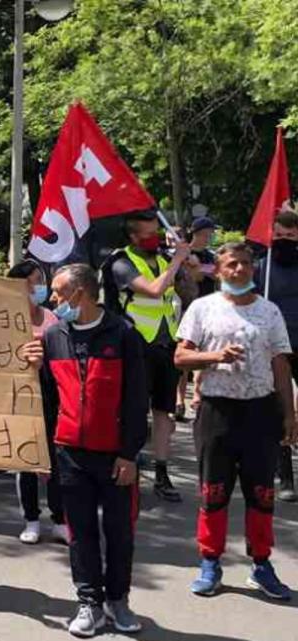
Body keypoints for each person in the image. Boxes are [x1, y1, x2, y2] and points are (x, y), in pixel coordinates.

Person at [30, 263, 148, 638]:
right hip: (68, 454)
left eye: (58, 292)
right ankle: (89, 603)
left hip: (115, 456)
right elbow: (48, 399)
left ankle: (118, 601)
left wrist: (129, 454)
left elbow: (136, 401)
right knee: (79, 534)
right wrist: (42, 450)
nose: (52, 298)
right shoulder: (53, 337)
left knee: (119, 533)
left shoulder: (124, 334)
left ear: (80, 293)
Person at [176, 242, 295, 602]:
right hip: (217, 412)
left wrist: (289, 414)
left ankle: (261, 565)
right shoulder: (202, 308)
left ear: (253, 268)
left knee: (261, 493)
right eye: (231, 264)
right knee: (214, 492)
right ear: (219, 269)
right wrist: (215, 356)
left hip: (261, 412)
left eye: (245, 264)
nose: (239, 270)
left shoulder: (270, 311)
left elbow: (281, 363)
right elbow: (181, 357)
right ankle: (210, 562)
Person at [107, 210, 189, 502]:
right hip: (136, 345)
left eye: (157, 231)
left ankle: (162, 471)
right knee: (135, 408)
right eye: (148, 233)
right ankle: (129, 463)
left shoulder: (165, 260)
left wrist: (184, 261)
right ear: (133, 236)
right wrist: (178, 260)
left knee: (164, 411)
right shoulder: (121, 263)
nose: (155, 238)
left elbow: (185, 289)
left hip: (167, 344)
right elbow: (154, 291)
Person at [7, 260, 68, 546]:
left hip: (51, 396)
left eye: (40, 280)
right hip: (18, 397)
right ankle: (31, 519)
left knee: (56, 459)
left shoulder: (52, 319)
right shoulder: (4, 319)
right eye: (33, 280)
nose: (38, 287)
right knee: (26, 460)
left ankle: (59, 519)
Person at [256, 208, 298, 503]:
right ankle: (285, 475)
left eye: (291, 236)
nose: (284, 240)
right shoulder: (261, 267)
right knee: (280, 409)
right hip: (273, 348)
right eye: (279, 235)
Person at [175, 216, 219, 421]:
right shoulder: (183, 254)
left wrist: (201, 268)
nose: (208, 237)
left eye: (210, 233)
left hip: (209, 309)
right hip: (186, 309)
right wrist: (195, 268)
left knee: (204, 354)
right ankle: (179, 400)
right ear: (196, 233)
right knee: (185, 354)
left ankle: (198, 397)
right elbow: (192, 277)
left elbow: (217, 275)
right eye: (205, 233)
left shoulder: (211, 256)